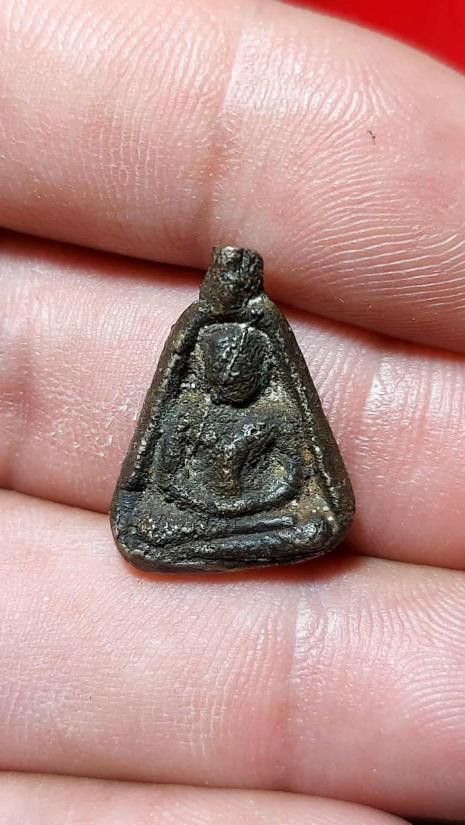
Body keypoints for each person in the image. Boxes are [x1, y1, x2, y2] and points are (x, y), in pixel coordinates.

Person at [0, 0, 463, 822]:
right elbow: (149, 496)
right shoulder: (187, 408)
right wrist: (197, 496)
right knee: (156, 531)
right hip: (197, 520)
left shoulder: (273, 407)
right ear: (200, 362)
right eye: (218, 361)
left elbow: (312, 498)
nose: (231, 372)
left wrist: (263, 488)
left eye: (245, 361)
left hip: (262, 515)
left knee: (305, 524)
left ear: (263, 360)